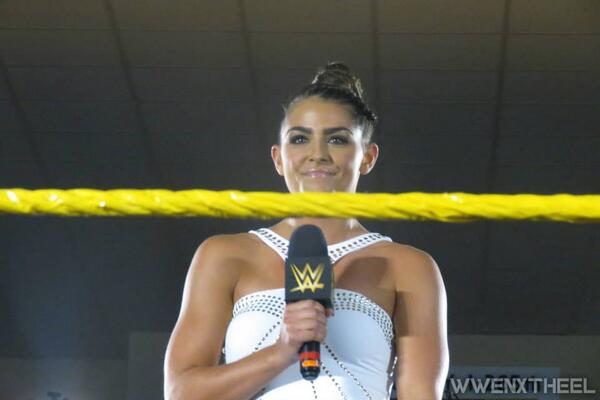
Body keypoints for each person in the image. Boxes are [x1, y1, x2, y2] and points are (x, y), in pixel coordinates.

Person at [163, 62, 449, 400]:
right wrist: (281, 351)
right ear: (278, 158)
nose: (317, 155)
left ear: (368, 157)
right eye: (300, 139)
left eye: (337, 139)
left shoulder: (409, 266)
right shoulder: (224, 255)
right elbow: (181, 393)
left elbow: (420, 393)